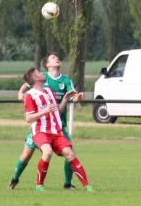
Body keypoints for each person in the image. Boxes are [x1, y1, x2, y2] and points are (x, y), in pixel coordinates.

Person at [8, 52, 84, 190]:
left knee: (70, 152)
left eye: (57, 57)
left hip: (58, 124)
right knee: (26, 154)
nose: (57, 58)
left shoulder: (66, 80)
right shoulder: (42, 77)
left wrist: (77, 98)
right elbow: (27, 84)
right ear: (47, 64)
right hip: (40, 125)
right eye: (53, 58)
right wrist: (20, 93)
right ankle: (14, 179)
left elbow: (72, 97)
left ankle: (67, 184)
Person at [21, 67, 93, 192]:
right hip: (40, 130)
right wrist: (44, 111)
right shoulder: (29, 95)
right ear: (36, 78)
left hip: (56, 130)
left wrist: (65, 99)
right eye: (39, 72)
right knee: (47, 152)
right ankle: (39, 185)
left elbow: (57, 111)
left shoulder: (49, 91)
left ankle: (87, 186)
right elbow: (28, 118)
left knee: (70, 153)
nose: (42, 73)